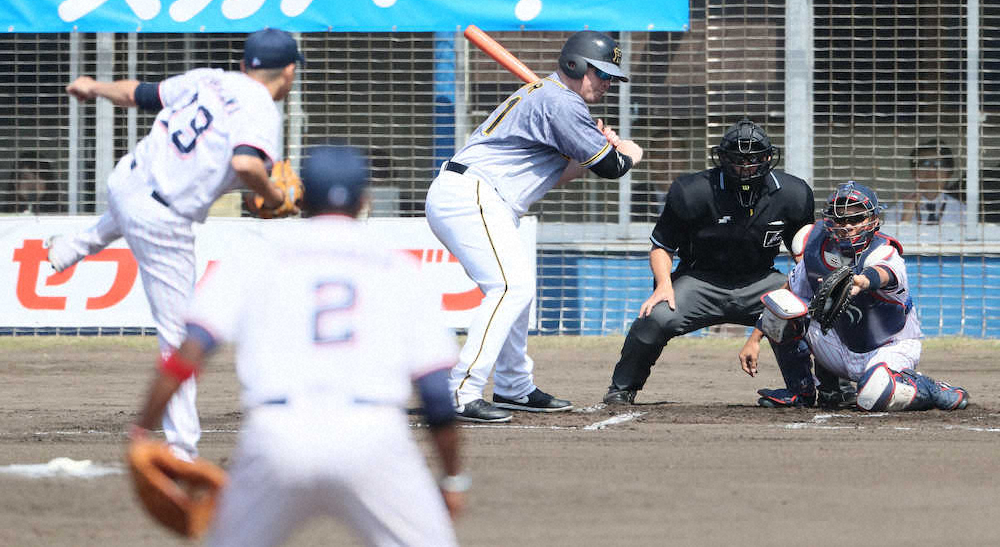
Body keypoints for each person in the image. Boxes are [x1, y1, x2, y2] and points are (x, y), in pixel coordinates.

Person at [131, 145, 465, 547]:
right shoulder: (400, 268)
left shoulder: (255, 255)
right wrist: (450, 479)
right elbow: (436, 397)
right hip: (373, 436)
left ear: (302, 197)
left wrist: (140, 431)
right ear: (363, 200)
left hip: (276, 436)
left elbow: (187, 356)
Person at [47, 28, 304, 459]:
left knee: (133, 205)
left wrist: (93, 86)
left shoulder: (210, 78)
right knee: (181, 339)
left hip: (127, 180)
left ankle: (73, 247)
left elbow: (137, 93)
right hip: (162, 219)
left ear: (244, 65)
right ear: (290, 72)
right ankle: (183, 448)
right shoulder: (261, 108)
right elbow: (245, 163)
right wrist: (276, 196)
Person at [425, 31, 645, 423]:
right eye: (602, 74)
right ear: (576, 66)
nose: (608, 83)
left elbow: (562, 172)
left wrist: (593, 148)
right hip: (473, 194)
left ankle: (513, 386)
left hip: (484, 197)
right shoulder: (560, 102)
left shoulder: (555, 99)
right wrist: (623, 152)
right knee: (511, 286)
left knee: (517, 289)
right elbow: (612, 169)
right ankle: (459, 391)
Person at [602, 118, 856, 408]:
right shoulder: (692, 190)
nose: (746, 167)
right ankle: (622, 389)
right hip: (700, 281)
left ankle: (835, 387)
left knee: (816, 310)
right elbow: (661, 247)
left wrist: (811, 287)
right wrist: (663, 285)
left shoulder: (793, 193)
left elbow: (804, 254)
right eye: (737, 160)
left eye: (754, 160)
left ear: (768, 158)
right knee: (655, 317)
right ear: (722, 159)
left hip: (761, 281)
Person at [738, 181, 970, 412]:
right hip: (839, 346)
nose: (847, 226)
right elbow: (788, 292)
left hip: (888, 347)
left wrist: (862, 281)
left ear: (874, 221)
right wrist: (754, 339)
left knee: (872, 396)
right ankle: (801, 392)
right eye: (841, 219)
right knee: (783, 306)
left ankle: (932, 388)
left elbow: (883, 273)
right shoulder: (815, 245)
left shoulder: (884, 251)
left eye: (856, 219)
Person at [888, 139, 965, 225]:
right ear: (914, 172)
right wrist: (905, 218)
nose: (931, 170)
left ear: (949, 173)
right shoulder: (896, 211)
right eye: (925, 163)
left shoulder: (962, 211)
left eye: (938, 164)